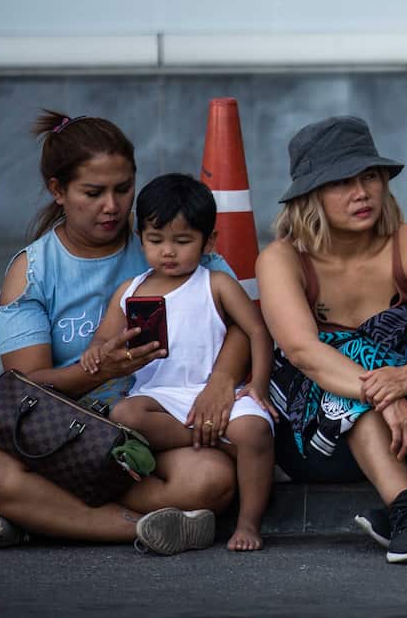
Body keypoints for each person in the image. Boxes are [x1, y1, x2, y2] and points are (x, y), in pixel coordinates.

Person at [0, 111, 251, 555]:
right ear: (58, 191)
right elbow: (25, 385)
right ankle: (143, 528)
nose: (113, 206)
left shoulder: (166, 239)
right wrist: (96, 372)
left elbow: (240, 322)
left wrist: (222, 380)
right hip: (68, 436)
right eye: (93, 193)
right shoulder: (33, 271)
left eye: (123, 189)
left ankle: (43, 516)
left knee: (209, 479)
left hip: (158, 430)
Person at [256, 116, 407, 564]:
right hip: (318, 439)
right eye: (341, 182)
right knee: (346, 398)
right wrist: (386, 395)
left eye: (369, 176)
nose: (361, 192)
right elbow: (306, 352)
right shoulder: (282, 259)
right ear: (310, 195)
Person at [81, 174, 276, 552]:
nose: (168, 251)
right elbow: (104, 337)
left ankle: (249, 523)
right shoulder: (131, 291)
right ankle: (211, 438)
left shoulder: (215, 283)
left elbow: (257, 331)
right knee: (126, 415)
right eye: (156, 241)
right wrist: (97, 351)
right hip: (161, 399)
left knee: (254, 430)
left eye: (182, 241)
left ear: (210, 242)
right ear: (140, 239)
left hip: (221, 394)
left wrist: (259, 385)